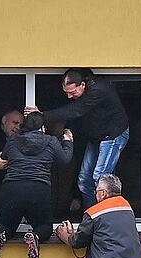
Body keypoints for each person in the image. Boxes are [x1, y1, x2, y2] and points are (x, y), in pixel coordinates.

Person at [29, 68, 130, 210]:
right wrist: (70, 130)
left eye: (72, 92)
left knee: (100, 179)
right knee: (83, 180)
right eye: (66, 93)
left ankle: (106, 219)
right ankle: (91, 216)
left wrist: (41, 115)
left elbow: (76, 110)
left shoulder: (98, 89)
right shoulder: (82, 93)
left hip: (113, 134)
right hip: (96, 136)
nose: (69, 96)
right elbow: (78, 114)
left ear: (82, 85)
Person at [0, 112, 74, 258]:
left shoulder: (13, 140)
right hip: (38, 189)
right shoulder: (51, 141)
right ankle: (36, 236)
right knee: (44, 227)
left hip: (12, 188)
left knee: (6, 225)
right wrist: (67, 142)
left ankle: (2, 236)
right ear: (42, 128)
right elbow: (65, 159)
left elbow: (4, 159)